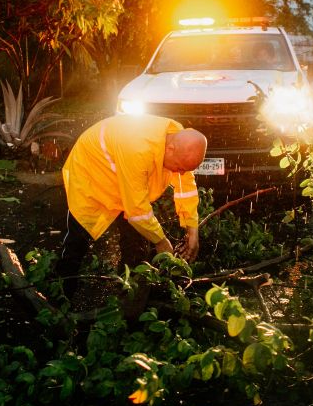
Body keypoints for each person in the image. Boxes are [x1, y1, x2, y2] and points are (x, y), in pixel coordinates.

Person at [55, 114, 207, 310]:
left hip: (124, 171)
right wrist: (161, 242)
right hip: (92, 174)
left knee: (135, 242)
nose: (180, 173)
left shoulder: (176, 137)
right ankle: (60, 299)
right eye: (179, 168)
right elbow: (137, 210)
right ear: (170, 149)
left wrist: (192, 228)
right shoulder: (137, 149)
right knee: (78, 240)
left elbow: (185, 185)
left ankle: (127, 296)